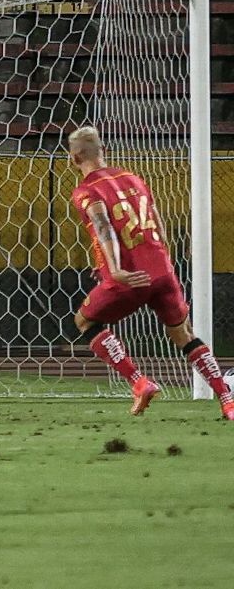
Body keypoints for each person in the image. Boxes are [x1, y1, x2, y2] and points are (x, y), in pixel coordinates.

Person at [66, 126, 233, 420]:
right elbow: (155, 223)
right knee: (184, 334)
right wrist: (161, 260)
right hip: (162, 270)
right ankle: (226, 398)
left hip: (129, 278)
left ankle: (139, 382)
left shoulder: (85, 191)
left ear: (74, 157)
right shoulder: (133, 178)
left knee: (85, 320)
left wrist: (114, 269)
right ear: (102, 150)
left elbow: (104, 226)